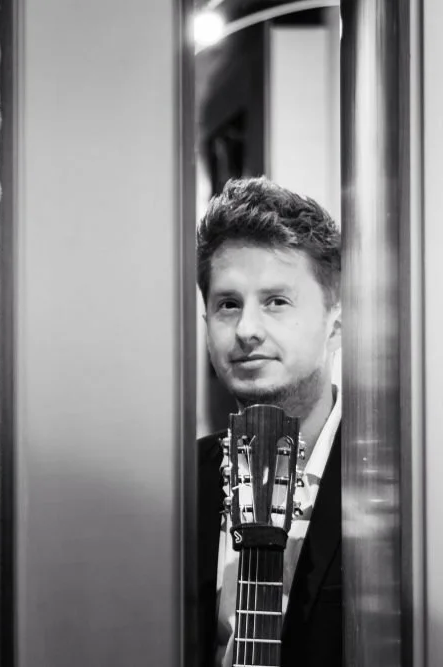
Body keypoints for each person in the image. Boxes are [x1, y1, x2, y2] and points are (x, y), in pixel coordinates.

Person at [195, 177, 342, 667]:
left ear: (337, 322)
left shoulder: (400, 488)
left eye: (276, 301)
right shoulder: (178, 484)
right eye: (228, 304)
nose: (247, 330)